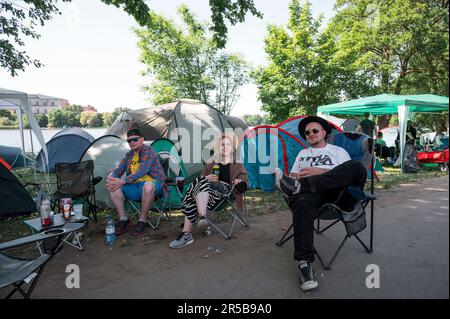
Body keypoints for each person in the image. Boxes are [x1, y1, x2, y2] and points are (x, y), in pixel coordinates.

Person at [274, 116, 367, 291]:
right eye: (307, 132)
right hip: (310, 197)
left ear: (324, 133)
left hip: (337, 196)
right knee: (300, 199)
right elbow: (293, 178)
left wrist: (320, 172)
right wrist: (293, 181)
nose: (310, 134)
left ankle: (303, 186)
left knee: (356, 166)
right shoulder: (302, 154)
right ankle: (304, 264)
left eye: (315, 130)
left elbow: (348, 175)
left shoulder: (338, 151)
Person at [169, 132, 248, 249]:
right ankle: (196, 224)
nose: (225, 147)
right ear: (218, 147)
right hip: (208, 194)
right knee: (201, 183)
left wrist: (238, 181)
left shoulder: (237, 163)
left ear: (232, 148)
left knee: (196, 189)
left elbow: (244, 179)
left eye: (228, 144)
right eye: (222, 145)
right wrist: (207, 178)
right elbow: (201, 179)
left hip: (225, 193)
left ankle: (189, 231)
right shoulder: (211, 162)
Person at [106, 128, 167, 236]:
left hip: (154, 186)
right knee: (114, 187)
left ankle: (142, 220)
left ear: (142, 139)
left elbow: (142, 171)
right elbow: (119, 170)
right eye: (129, 141)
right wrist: (111, 178)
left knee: (148, 186)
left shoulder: (149, 151)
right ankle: (123, 219)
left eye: (135, 139)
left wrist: (123, 181)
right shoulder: (129, 155)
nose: (132, 142)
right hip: (135, 187)